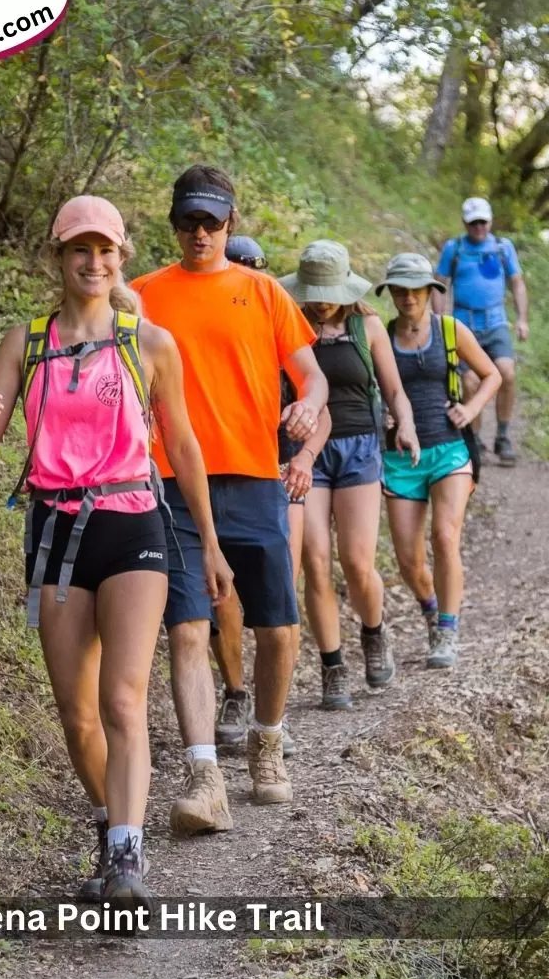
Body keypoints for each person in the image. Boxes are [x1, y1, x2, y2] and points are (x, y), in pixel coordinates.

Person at [0, 195, 232, 902]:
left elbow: (181, 446)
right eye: (80, 250)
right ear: (58, 256)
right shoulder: (28, 340)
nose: (94, 262)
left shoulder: (149, 342)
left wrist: (208, 543)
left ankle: (126, 860)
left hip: (134, 522)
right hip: (54, 531)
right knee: (76, 712)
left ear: (121, 257)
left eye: (105, 250)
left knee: (122, 698)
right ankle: (114, 825)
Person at [131, 165, 329, 831]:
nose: (200, 233)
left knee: (276, 628)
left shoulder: (264, 292)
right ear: (173, 223)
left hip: (252, 477)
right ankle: (202, 775)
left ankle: (266, 742)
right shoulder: (139, 296)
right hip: (167, 485)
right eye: (188, 220)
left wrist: (307, 410)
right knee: (188, 626)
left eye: (212, 221)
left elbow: (312, 377)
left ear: (231, 223)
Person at [281, 241, 419, 711]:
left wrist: (408, 426)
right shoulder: (290, 323)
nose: (320, 300)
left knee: (357, 562)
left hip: (359, 447)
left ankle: (374, 631)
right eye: (313, 291)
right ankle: (333, 666)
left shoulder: (367, 326)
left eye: (328, 291)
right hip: (305, 450)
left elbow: (395, 390)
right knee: (316, 559)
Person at [212, 235, 332, 754]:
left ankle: (269, 715)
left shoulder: (275, 327)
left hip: (278, 473)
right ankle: (236, 692)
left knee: (278, 594)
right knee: (223, 597)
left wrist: (303, 460)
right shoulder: (210, 333)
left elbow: (319, 409)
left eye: (255, 271)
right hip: (218, 474)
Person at [378, 253, 501, 668]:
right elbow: (369, 387)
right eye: (399, 289)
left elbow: (492, 375)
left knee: (445, 537)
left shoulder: (450, 330)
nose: (407, 296)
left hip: (450, 448)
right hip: (400, 457)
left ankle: (448, 630)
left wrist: (471, 409)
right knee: (409, 561)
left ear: (431, 292)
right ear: (390, 292)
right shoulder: (382, 335)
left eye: (415, 288)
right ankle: (431, 610)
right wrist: (385, 411)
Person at [434, 197, 529, 466]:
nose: (479, 227)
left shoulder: (502, 247)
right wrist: (439, 321)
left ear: (490, 221)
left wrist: (522, 319)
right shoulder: (454, 249)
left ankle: (502, 435)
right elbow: (439, 284)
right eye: (474, 222)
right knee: (470, 382)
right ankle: (474, 438)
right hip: (464, 324)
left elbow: (518, 284)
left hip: (496, 322)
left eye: (483, 222)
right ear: (465, 223)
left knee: (507, 372)